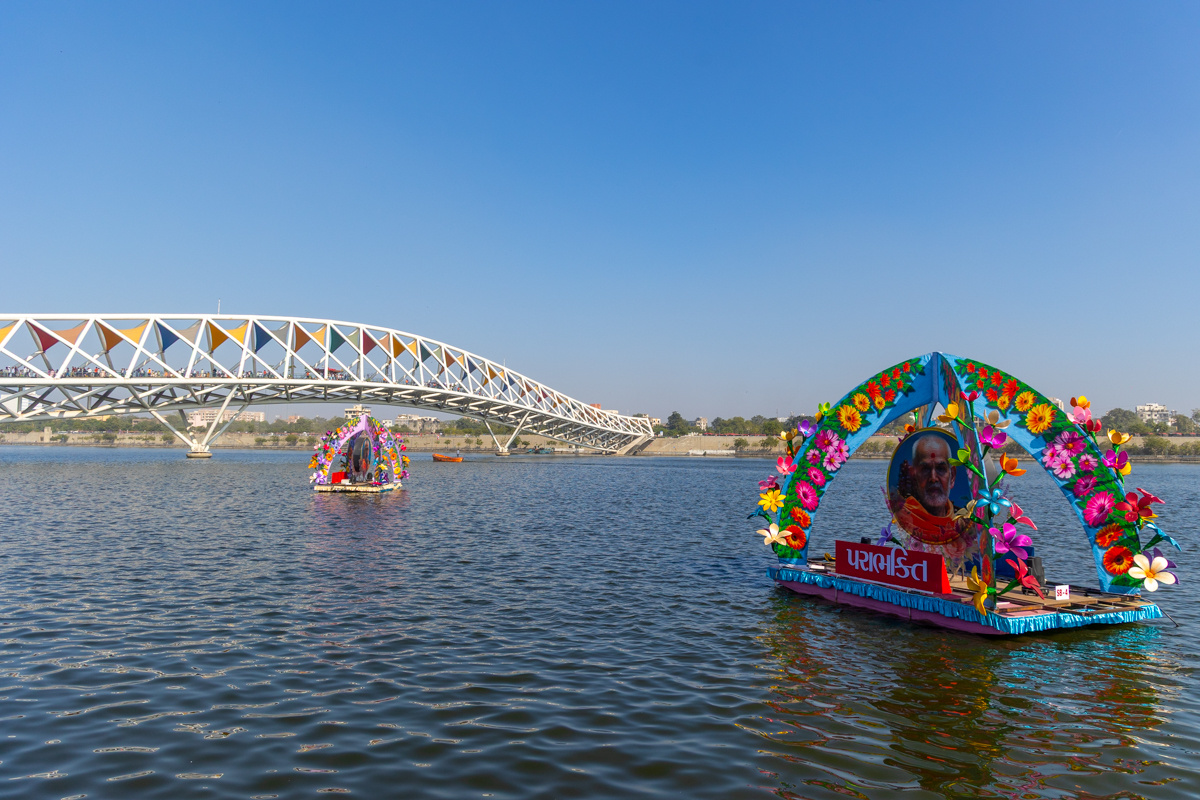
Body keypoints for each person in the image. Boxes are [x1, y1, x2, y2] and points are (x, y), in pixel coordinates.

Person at [890, 432, 970, 546]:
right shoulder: (904, 517)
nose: (933, 478)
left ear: (952, 476)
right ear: (913, 476)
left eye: (941, 469)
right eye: (925, 469)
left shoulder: (963, 522)